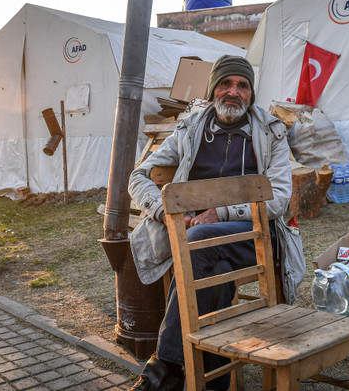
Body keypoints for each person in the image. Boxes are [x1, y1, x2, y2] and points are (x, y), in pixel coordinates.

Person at [127, 55, 306, 391]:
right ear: (212, 91)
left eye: (242, 86)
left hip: (252, 236)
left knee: (201, 239)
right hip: (199, 241)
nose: (233, 92)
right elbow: (138, 175)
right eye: (225, 84)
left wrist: (221, 214)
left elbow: (279, 198)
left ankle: (166, 368)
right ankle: (215, 381)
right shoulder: (190, 128)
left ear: (251, 94)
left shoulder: (271, 132)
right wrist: (162, 210)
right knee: (212, 267)